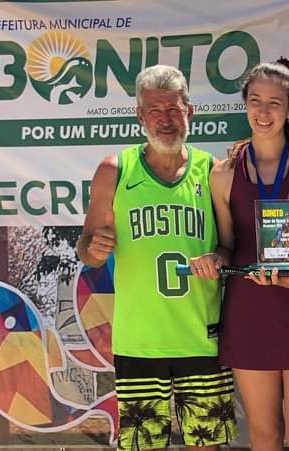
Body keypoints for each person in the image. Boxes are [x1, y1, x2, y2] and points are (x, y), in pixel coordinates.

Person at [76, 65, 237, 451]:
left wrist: (217, 257)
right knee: (143, 445)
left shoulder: (212, 171)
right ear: (139, 116)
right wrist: (93, 249)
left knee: (208, 444)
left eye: (174, 109)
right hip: (139, 340)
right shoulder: (115, 170)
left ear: (190, 112)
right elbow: (86, 248)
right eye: (154, 110)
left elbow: (231, 247)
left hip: (202, 338)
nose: (165, 120)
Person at [190, 58, 289, 451]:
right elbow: (227, 245)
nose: (263, 111)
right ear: (244, 104)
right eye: (255, 100)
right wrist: (216, 259)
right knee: (263, 436)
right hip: (248, 316)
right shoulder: (223, 174)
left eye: (274, 102)